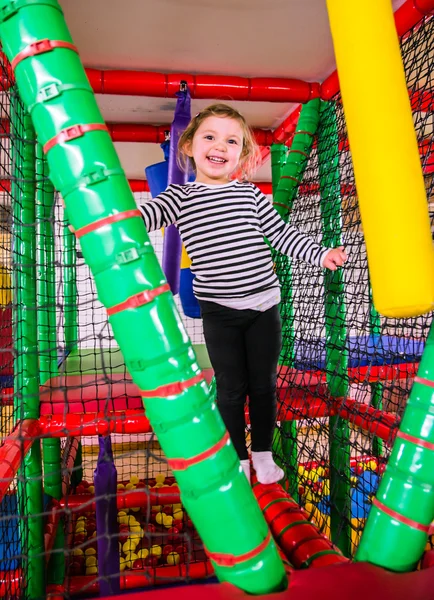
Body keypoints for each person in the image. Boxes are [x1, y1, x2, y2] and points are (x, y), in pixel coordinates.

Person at [139, 103, 347, 484]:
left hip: (264, 306)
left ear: (242, 153)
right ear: (188, 145)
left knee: (263, 384)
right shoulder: (179, 198)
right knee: (231, 386)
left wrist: (321, 254)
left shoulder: (251, 196)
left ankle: (263, 454)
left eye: (231, 140)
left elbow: (283, 236)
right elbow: (142, 219)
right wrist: (99, 228)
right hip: (218, 311)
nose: (220, 146)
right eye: (210, 136)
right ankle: (236, 457)